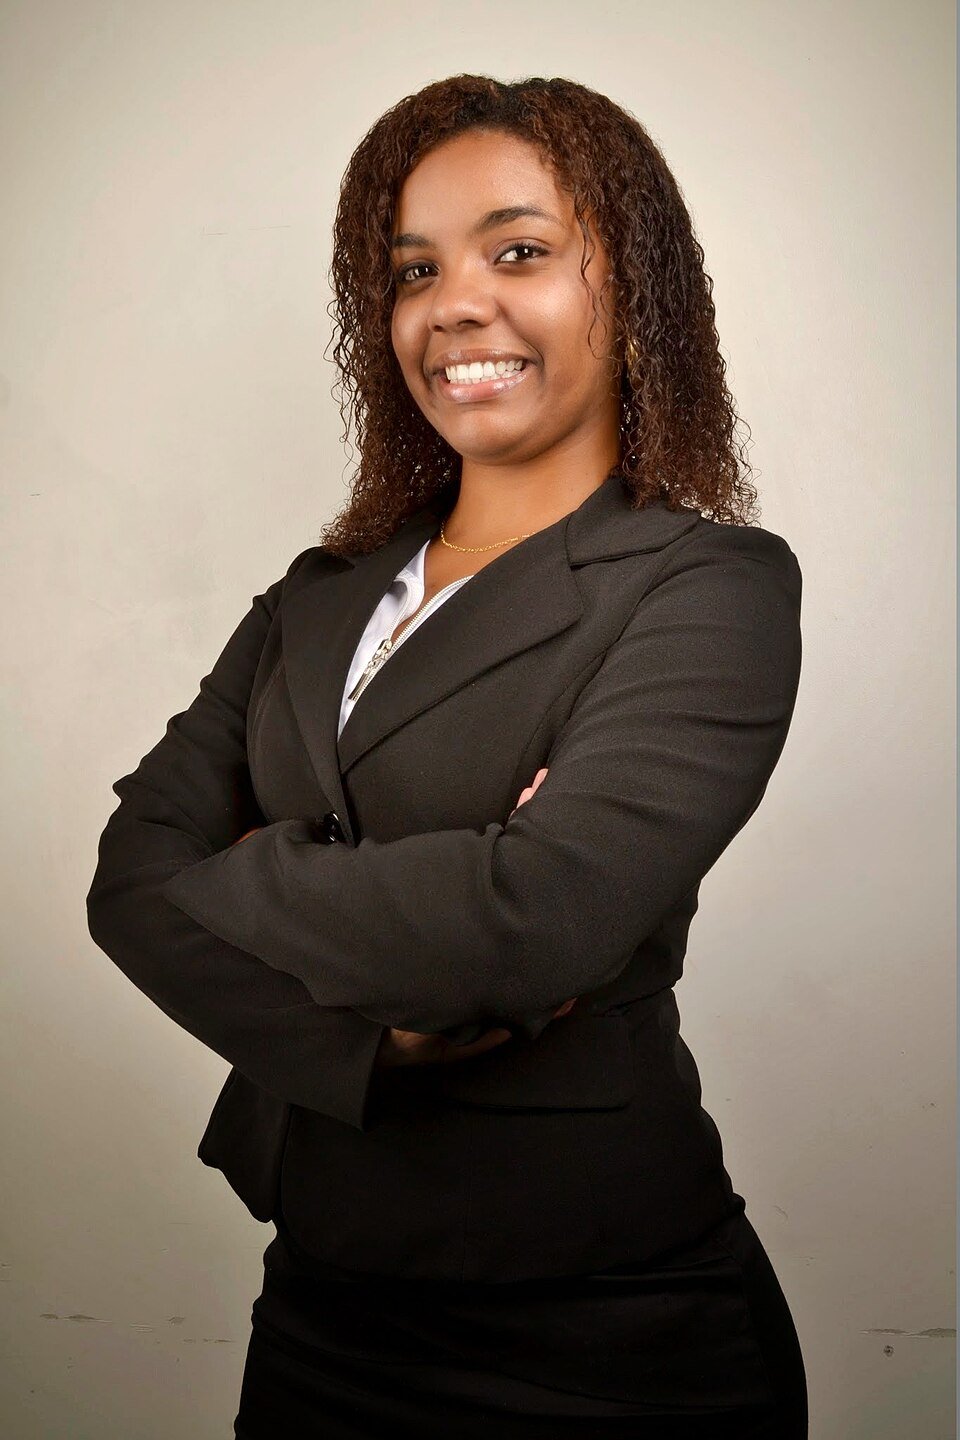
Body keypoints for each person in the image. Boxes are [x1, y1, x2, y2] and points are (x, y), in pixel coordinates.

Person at [87, 74, 808, 1437]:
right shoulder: (318, 596)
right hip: (323, 1308)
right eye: (415, 269)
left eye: (519, 252)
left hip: (608, 1328)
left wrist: (243, 870)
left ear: (631, 285)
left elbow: (529, 921)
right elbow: (128, 884)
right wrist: (377, 1028)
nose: (454, 304)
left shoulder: (704, 586)